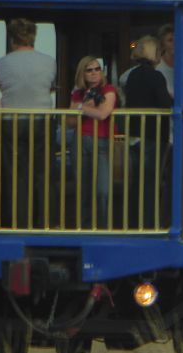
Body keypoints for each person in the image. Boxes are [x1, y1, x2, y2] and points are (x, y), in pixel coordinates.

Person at [0, 18, 57, 229]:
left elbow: (3, 87)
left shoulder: (2, 63)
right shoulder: (49, 61)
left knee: (15, 175)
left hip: (12, 122)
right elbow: (50, 87)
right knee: (43, 173)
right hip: (41, 121)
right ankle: (44, 223)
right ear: (34, 38)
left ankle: (17, 222)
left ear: (13, 39)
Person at [123, 36, 172, 229]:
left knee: (137, 182)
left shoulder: (132, 75)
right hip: (153, 135)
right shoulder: (156, 76)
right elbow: (165, 104)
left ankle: (135, 223)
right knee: (151, 183)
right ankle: (149, 224)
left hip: (134, 134)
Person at [70, 56, 117, 229]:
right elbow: (70, 120)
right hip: (80, 140)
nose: (94, 73)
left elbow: (103, 114)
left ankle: (104, 228)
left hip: (101, 140)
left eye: (97, 69)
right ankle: (84, 227)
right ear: (82, 73)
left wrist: (82, 108)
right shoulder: (78, 93)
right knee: (83, 189)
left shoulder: (108, 89)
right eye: (89, 70)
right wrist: (86, 106)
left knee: (102, 190)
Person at [155, 24, 175, 98]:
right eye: (170, 40)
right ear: (163, 44)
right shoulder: (156, 65)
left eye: (177, 39)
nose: (175, 43)